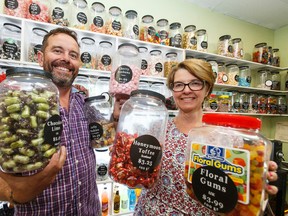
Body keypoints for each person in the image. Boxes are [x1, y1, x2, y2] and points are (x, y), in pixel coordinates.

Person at [134, 59, 279, 215]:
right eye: (178, 85)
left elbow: (237, 189)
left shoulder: (227, 136)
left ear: (207, 88)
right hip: (150, 210)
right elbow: (140, 176)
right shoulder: (158, 128)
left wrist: (256, 180)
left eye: (195, 83)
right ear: (172, 90)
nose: (186, 90)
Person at [0, 27, 101, 215]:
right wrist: (16, 192)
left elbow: (104, 137)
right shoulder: (11, 102)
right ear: (40, 58)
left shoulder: (85, 105)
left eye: (73, 54)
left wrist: (118, 113)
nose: (66, 59)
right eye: (57, 50)